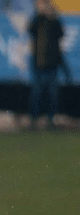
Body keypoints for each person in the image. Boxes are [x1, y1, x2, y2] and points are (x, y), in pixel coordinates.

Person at [28, 0, 72, 129]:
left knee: (52, 96)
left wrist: (53, 16)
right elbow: (30, 29)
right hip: (39, 65)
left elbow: (61, 33)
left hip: (52, 65)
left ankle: (50, 121)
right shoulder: (38, 21)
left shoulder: (54, 23)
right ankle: (33, 121)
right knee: (36, 95)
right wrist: (40, 14)